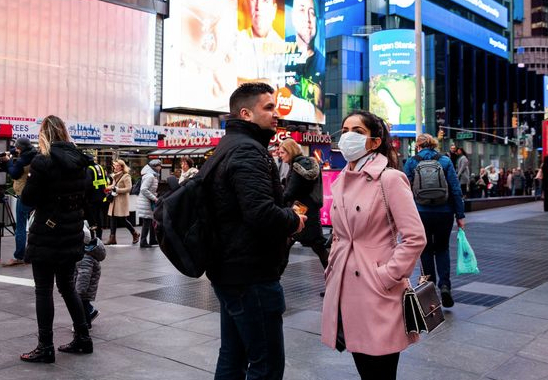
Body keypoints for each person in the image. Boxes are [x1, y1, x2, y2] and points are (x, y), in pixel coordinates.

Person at [206, 82, 306, 379]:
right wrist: (293, 220)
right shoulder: (249, 151)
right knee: (266, 364)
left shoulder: (229, 145)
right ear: (247, 113)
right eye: (269, 107)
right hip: (251, 273)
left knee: (233, 355)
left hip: (230, 268)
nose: (276, 114)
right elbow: (260, 213)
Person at [321, 111, 426, 380]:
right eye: (344, 130)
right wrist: (332, 267)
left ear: (374, 141)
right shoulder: (342, 178)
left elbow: (415, 237)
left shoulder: (389, 179)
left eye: (357, 131)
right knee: (364, 370)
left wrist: (387, 275)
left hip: (379, 290)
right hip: (346, 286)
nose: (348, 137)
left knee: (379, 373)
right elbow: (339, 234)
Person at [19, 115, 93, 363]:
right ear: (64, 133)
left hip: (47, 235)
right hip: (71, 233)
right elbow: (86, 198)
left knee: (43, 289)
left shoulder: (43, 162)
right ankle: (83, 337)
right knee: (67, 286)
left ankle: (45, 347)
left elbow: (28, 198)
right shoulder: (80, 161)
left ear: (44, 134)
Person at [404, 133, 465, 308]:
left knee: (425, 250)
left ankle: (428, 290)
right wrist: (460, 215)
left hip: (420, 212)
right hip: (444, 212)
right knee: (442, 248)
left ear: (418, 145)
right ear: (434, 144)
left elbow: (404, 191)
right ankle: (445, 286)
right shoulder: (445, 161)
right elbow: (455, 188)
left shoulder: (412, 162)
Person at [279, 138, 328, 271]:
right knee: (318, 247)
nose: (280, 155)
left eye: (282, 152)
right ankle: (334, 282)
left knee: (288, 243)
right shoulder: (307, 163)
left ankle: (275, 279)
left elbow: (290, 192)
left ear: (290, 152)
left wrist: (277, 201)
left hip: (300, 211)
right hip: (309, 211)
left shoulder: (297, 167)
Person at [0, 137, 37, 267]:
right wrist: (11, 152)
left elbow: (14, 174)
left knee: (20, 227)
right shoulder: (34, 153)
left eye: (17, 148)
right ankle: (32, 253)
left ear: (20, 148)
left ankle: (19, 256)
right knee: (34, 226)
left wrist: (9, 162)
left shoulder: (22, 161)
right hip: (34, 195)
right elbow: (18, 151)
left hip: (23, 195)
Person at [236, 0, 285, 87]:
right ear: (248, 5)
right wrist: (266, 84)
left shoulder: (285, 48)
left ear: (274, 9)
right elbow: (227, 83)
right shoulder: (236, 42)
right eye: (254, 0)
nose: (258, 7)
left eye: (265, 1)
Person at [286, 0, 325, 110]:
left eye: (312, 13)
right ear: (293, 17)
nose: (307, 19)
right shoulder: (279, 48)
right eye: (302, 10)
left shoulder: (322, 65)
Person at [75, 223, 106, 330]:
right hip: (85, 288)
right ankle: (89, 318)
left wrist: (79, 291)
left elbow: (84, 275)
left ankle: (85, 325)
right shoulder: (86, 254)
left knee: (82, 306)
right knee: (84, 306)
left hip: (84, 289)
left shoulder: (85, 257)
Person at [105, 160, 139, 245]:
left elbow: (129, 189)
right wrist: (107, 187)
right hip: (114, 200)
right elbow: (114, 185)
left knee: (123, 220)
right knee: (112, 218)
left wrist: (118, 190)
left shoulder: (126, 176)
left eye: (117, 166)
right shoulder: (115, 176)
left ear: (122, 167)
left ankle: (135, 233)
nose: (115, 167)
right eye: (114, 165)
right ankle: (112, 238)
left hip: (121, 201)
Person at [137, 159, 161, 248]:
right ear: (154, 167)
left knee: (150, 221)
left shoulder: (152, 175)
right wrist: (154, 198)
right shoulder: (150, 176)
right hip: (146, 201)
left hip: (147, 201)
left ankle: (152, 239)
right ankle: (143, 242)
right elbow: (143, 189)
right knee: (147, 222)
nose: (160, 167)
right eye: (159, 165)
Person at [84, 159, 109, 239]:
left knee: (92, 217)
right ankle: (99, 235)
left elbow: (88, 184)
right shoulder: (100, 167)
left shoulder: (89, 169)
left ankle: (92, 236)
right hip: (101, 196)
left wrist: (85, 196)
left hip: (92, 197)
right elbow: (105, 180)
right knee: (99, 216)